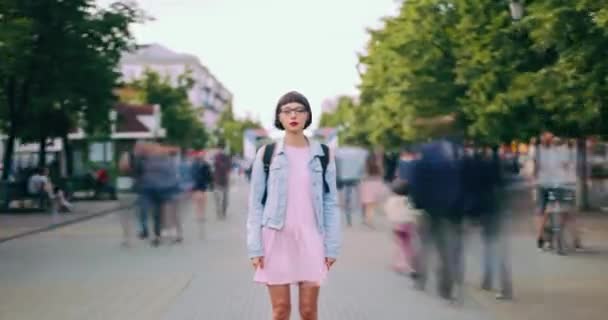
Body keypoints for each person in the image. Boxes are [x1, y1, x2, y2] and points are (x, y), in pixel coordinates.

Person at [246, 91, 341, 320]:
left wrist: (332, 246)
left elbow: (331, 202)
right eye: (287, 111)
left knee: (308, 311)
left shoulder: (323, 154)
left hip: (311, 239)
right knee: (281, 310)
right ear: (279, 117)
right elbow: (256, 204)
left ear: (307, 116)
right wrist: (254, 247)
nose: (293, 115)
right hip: (276, 238)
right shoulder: (267, 154)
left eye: (299, 110)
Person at [359, 152, 386, 228]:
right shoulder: (378, 165)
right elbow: (382, 174)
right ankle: (369, 220)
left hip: (367, 185)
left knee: (368, 206)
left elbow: (362, 176)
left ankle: (367, 220)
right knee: (372, 206)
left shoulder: (365, 166)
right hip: (376, 185)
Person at [213, 143, 232, 219]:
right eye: (219, 149)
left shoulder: (226, 157)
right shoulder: (215, 157)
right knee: (218, 198)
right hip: (217, 180)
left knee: (225, 199)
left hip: (224, 180)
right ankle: (219, 212)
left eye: (221, 149)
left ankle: (223, 212)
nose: (220, 150)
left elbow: (229, 167)